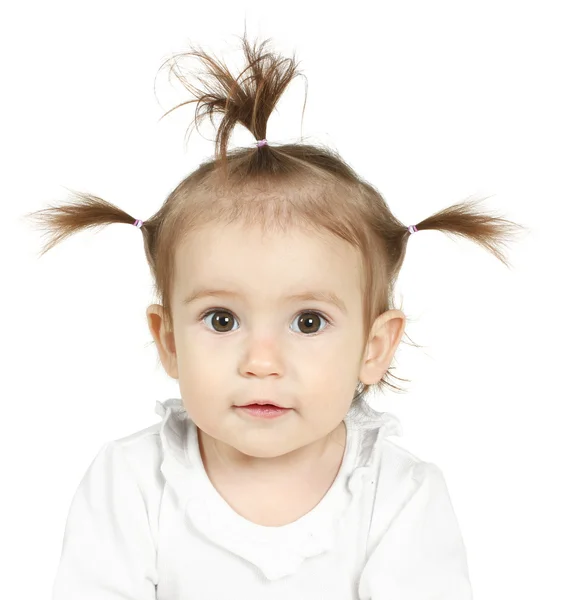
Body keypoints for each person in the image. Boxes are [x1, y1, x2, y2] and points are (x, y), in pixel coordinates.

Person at [26, 32, 526, 600]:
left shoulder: (397, 495)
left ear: (374, 346)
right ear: (167, 340)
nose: (261, 362)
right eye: (221, 319)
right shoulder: (133, 482)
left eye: (308, 322)